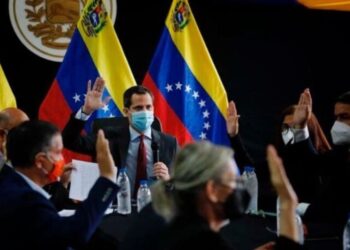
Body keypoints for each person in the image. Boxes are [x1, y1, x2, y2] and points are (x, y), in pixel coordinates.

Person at [151, 141, 303, 250]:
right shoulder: (200, 240)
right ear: (212, 190)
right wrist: (287, 202)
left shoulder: (169, 222)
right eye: (233, 181)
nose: (238, 188)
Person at [0, 120, 118, 249]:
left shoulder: (10, 181)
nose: (62, 158)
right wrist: (107, 178)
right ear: (40, 161)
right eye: (58, 152)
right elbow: (73, 235)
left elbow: (49, 223)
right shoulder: (24, 200)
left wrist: (62, 183)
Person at [62, 77, 179, 195]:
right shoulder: (108, 137)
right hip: (117, 205)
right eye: (138, 108)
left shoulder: (169, 143)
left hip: (155, 208)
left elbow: (184, 184)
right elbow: (69, 141)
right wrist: (86, 110)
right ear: (126, 111)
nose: (145, 112)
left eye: (148, 107)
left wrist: (168, 180)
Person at [281, 89, 350, 233]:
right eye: (336, 118)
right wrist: (300, 127)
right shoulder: (343, 152)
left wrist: (312, 225)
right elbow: (313, 164)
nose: (338, 124)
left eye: (344, 117)